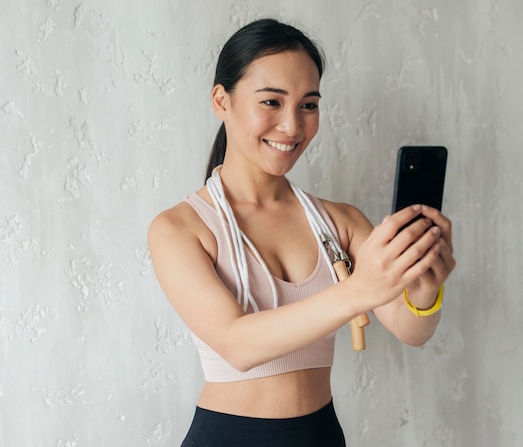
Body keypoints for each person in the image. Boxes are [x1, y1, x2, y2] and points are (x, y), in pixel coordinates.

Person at [148, 18, 455, 446]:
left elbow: (412, 330)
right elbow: (238, 346)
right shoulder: (180, 228)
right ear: (222, 101)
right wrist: (358, 291)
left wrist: (425, 288)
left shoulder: (338, 221)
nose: (292, 126)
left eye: (308, 105)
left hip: (321, 435)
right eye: (272, 102)